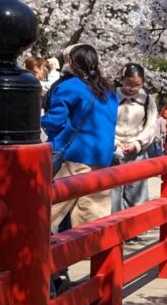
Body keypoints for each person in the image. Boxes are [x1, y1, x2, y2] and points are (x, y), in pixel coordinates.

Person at [43, 44, 119, 232]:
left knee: (49, 209)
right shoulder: (109, 91)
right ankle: (88, 253)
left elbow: (54, 121)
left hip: (73, 155)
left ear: (72, 63)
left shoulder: (70, 87)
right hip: (101, 157)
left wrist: (38, 119)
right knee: (91, 216)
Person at [111, 63, 159, 213]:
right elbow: (103, 122)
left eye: (137, 85)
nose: (132, 88)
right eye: (128, 84)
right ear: (122, 80)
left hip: (137, 148)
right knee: (113, 190)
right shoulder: (111, 96)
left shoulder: (147, 100)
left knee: (136, 189)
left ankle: (135, 225)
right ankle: (115, 224)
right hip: (114, 147)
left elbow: (151, 125)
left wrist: (138, 143)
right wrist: (114, 142)